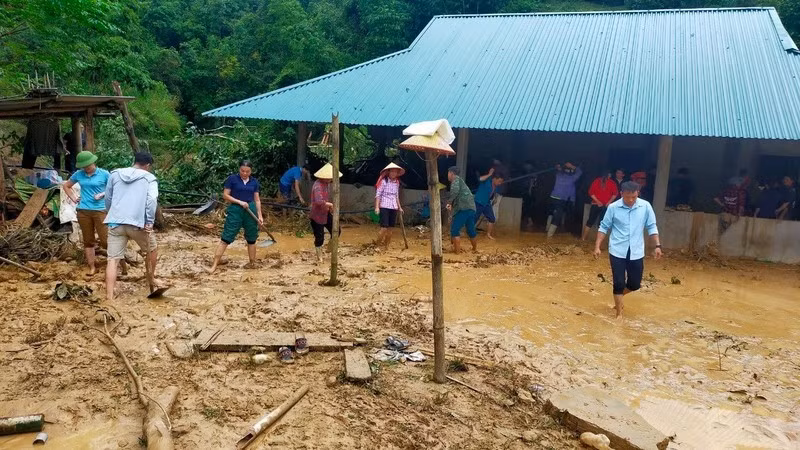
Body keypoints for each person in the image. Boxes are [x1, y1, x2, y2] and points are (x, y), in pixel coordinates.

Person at [593, 181, 662, 319]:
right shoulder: (613, 207)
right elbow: (603, 227)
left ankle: (619, 298)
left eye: (634, 197)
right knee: (618, 282)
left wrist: (657, 246)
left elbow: (652, 227)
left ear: (638, 194)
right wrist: (597, 246)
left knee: (635, 284)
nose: (630, 200)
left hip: (636, 251)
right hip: (617, 250)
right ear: (621, 194)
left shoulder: (645, 206)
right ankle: (619, 313)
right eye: (627, 197)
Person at [104, 152, 159, 302]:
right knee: (151, 250)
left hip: (115, 222)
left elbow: (108, 197)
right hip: (137, 224)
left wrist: (112, 213)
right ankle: (151, 279)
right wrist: (149, 222)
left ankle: (109, 296)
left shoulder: (115, 174)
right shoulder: (149, 179)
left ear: (134, 161)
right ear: (147, 165)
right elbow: (151, 201)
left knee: (112, 260)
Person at [208, 161, 264, 273]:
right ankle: (214, 265)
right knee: (226, 238)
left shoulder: (254, 182)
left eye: (247, 171)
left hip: (250, 209)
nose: (244, 173)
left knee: (252, 238)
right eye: (242, 171)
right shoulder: (232, 179)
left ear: (251, 171)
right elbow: (225, 195)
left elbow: (257, 199)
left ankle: (252, 263)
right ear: (239, 169)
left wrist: (260, 215)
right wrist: (239, 202)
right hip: (236, 209)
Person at [63, 151, 111, 275]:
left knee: (105, 240)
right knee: (88, 240)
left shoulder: (104, 174)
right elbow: (66, 186)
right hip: (83, 210)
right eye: (84, 166)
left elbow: (114, 188)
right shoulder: (79, 174)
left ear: (93, 162)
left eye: (88, 166)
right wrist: (74, 198)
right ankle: (92, 267)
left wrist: (103, 194)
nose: (86, 168)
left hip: (100, 210)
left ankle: (116, 263)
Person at [310, 163, 341, 262]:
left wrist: (329, 207)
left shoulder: (326, 184)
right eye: (329, 178)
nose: (330, 180)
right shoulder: (318, 186)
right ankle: (319, 256)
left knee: (337, 230)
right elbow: (319, 201)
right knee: (320, 237)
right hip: (317, 215)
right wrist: (331, 205)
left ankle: (329, 247)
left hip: (325, 212)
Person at [446, 166, 477, 253]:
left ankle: (457, 254)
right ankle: (474, 250)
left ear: (451, 173)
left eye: (448, 173)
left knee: (455, 230)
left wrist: (449, 202)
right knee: (470, 230)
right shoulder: (461, 181)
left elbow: (455, 192)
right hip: (471, 208)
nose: (447, 175)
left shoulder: (455, 180)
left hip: (463, 208)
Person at [546, 162, 582, 238]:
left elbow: (557, 171)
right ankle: (549, 235)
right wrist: (572, 166)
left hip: (553, 197)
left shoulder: (558, 175)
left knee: (552, 213)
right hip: (561, 199)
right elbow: (579, 172)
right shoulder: (571, 179)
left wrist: (558, 168)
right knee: (557, 216)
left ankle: (547, 229)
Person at [374, 162, 404, 247]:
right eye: (392, 171)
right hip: (384, 206)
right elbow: (378, 195)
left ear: (397, 173)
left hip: (393, 206)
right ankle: (377, 245)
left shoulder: (397, 183)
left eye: (395, 172)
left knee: (391, 229)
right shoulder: (383, 181)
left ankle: (386, 246)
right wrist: (377, 207)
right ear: (388, 172)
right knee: (384, 228)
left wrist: (399, 207)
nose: (394, 173)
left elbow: (396, 196)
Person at [582, 170, 618, 241]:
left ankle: (583, 238)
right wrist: (609, 202)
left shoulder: (596, 181)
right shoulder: (612, 182)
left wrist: (598, 201)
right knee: (602, 224)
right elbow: (615, 194)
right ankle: (599, 241)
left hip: (596, 204)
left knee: (590, 222)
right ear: (609, 175)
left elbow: (591, 193)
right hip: (605, 206)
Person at [474, 170, 504, 239]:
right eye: (499, 181)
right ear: (494, 179)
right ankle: (470, 232)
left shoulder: (496, 186)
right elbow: (480, 179)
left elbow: (493, 194)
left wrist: (495, 198)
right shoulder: (487, 180)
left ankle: (488, 234)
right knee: (474, 218)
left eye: (501, 182)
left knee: (492, 219)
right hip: (479, 202)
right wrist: (489, 174)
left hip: (487, 203)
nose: (500, 183)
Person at [521, 161, 538, 229]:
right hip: (527, 191)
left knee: (528, 207)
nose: (526, 166)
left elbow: (532, 183)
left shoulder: (533, 173)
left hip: (530, 192)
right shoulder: (528, 172)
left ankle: (530, 221)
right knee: (526, 207)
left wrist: (529, 191)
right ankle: (527, 221)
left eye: (527, 165)